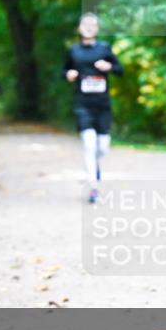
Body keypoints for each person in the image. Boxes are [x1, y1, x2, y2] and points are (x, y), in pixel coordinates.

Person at [63, 13, 123, 203]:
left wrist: (109, 66)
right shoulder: (73, 51)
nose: (88, 27)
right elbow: (63, 71)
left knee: (102, 148)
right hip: (83, 105)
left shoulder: (104, 49)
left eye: (92, 24)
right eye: (85, 24)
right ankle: (93, 186)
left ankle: (91, 166)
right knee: (89, 145)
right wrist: (69, 74)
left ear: (97, 29)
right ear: (79, 28)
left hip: (102, 105)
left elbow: (120, 70)